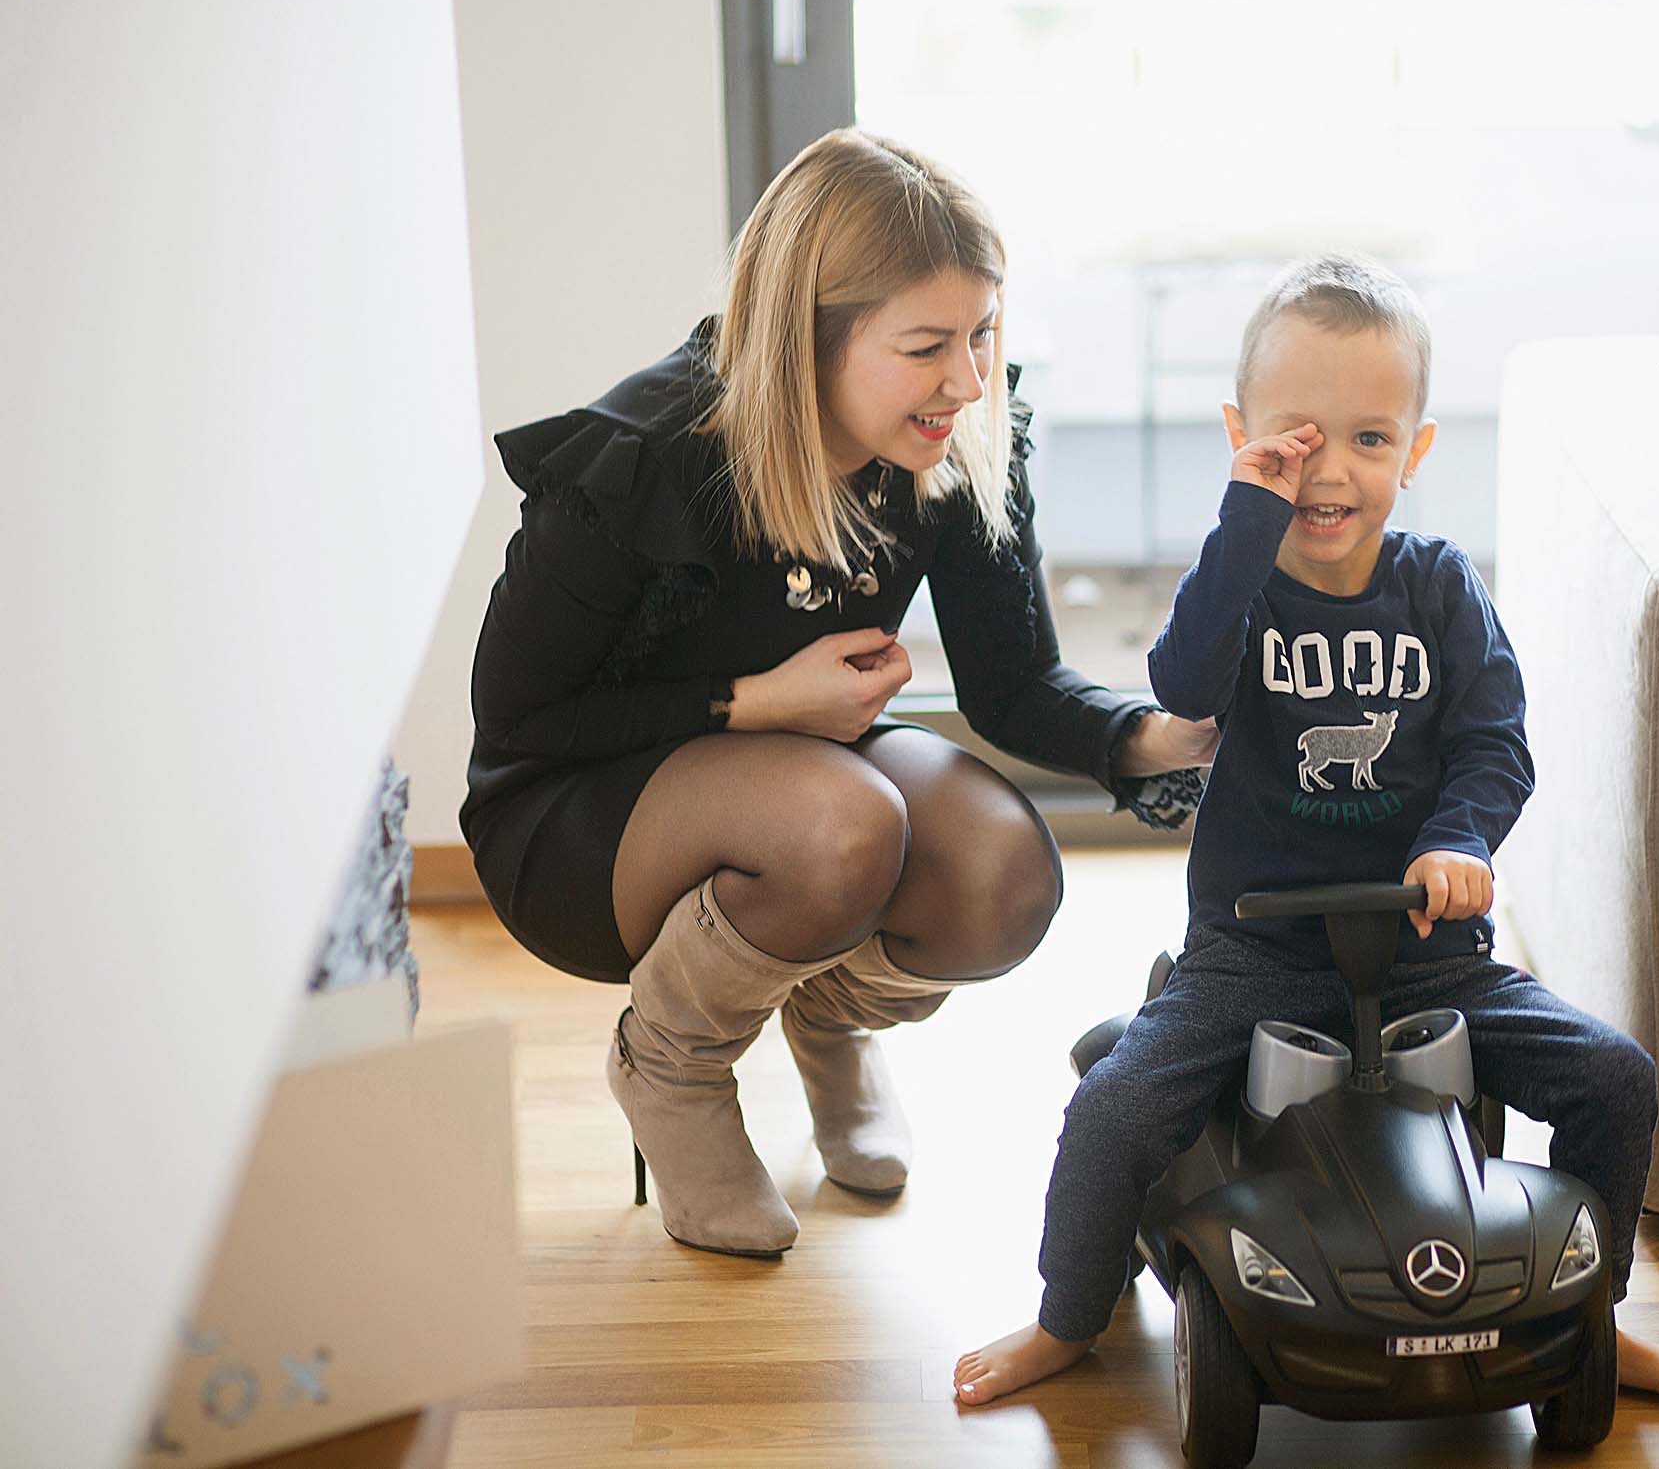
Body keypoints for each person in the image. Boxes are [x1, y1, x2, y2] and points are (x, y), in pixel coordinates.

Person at [954, 255, 1659, 1409]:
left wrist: (1456, 845)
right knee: (1113, 1106)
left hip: (1426, 952)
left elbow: (1492, 745)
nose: (1331, 468)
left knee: (1615, 1078)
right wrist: (1244, 520)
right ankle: (1066, 1317)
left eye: (1369, 439)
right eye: (1296, 438)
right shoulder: (1241, 586)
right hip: (1252, 954)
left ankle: (1590, 1314)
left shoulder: (1442, 591)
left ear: (1412, 453)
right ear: (1244, 437)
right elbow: (1180, 680)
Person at [460, 128, 1212, 1259]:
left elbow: (1012, 687)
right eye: (925, 346)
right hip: (577, 819)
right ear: (807, 341)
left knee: (1001, 876)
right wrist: (753, 702)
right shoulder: (647, 457)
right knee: (846, 821)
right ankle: (669, 1068)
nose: (965, 379)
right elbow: (518, 726)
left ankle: (828, 1013)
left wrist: (1160, 740)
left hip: (793, 762)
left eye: (981, 332)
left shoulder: (950, 436)